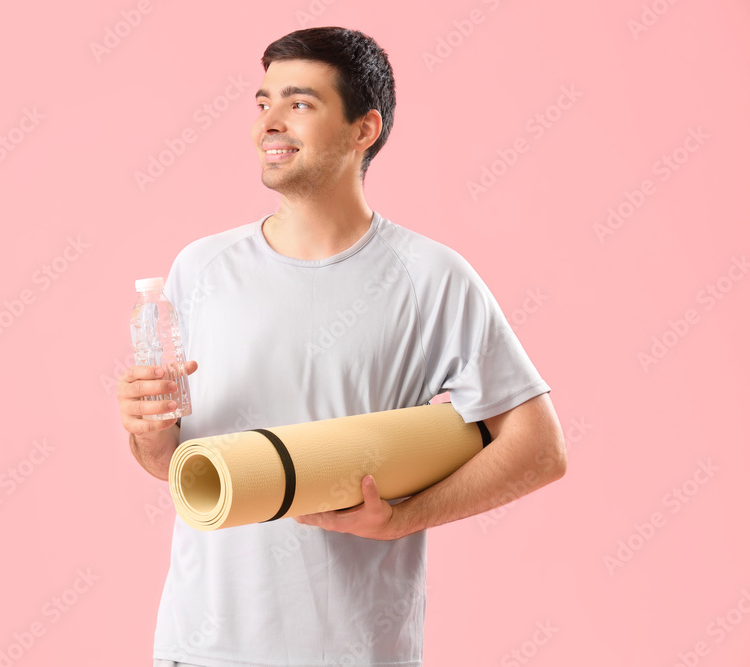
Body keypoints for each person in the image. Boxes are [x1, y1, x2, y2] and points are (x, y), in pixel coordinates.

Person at [117, 26, 567, 667]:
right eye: (262, 102)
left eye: (299, 104)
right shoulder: (199, 268)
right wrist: (146, 431)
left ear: (365, 130)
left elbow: (539, 448)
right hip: (201, 647)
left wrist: (408, 517)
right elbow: (175, 467)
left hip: (355, 651)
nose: (268, 123)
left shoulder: (429, 278)